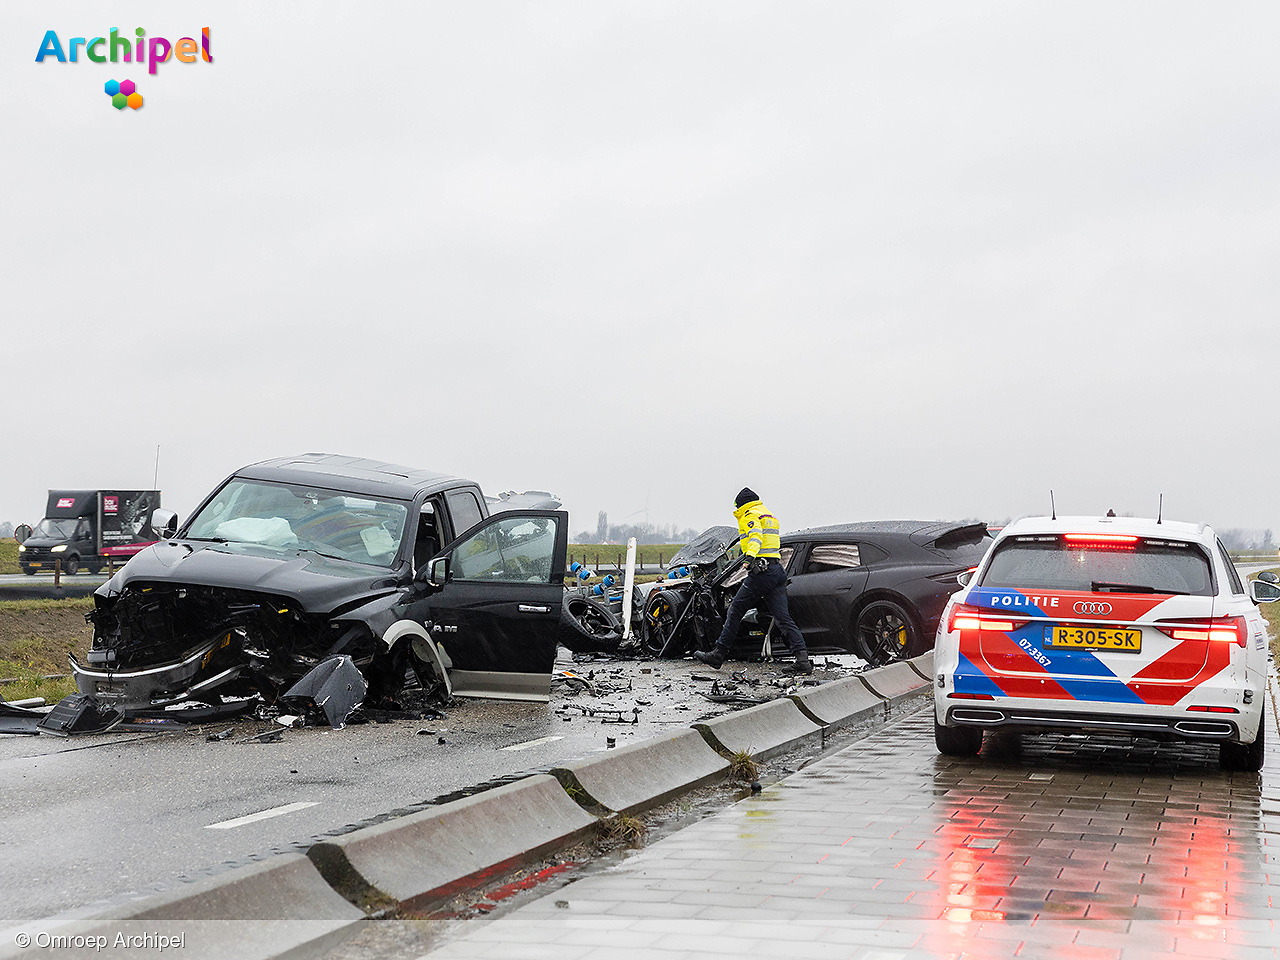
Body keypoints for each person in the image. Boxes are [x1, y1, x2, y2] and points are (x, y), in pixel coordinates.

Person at [694, 487, 812, 675]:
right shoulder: (768, 515)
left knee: (735, 610)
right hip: (776, 570)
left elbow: (755, 536)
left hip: (761, 571)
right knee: (783, 617)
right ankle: (802, 659)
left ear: (740, 504)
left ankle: (719, 653)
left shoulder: (749, 515)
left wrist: (749, 557)